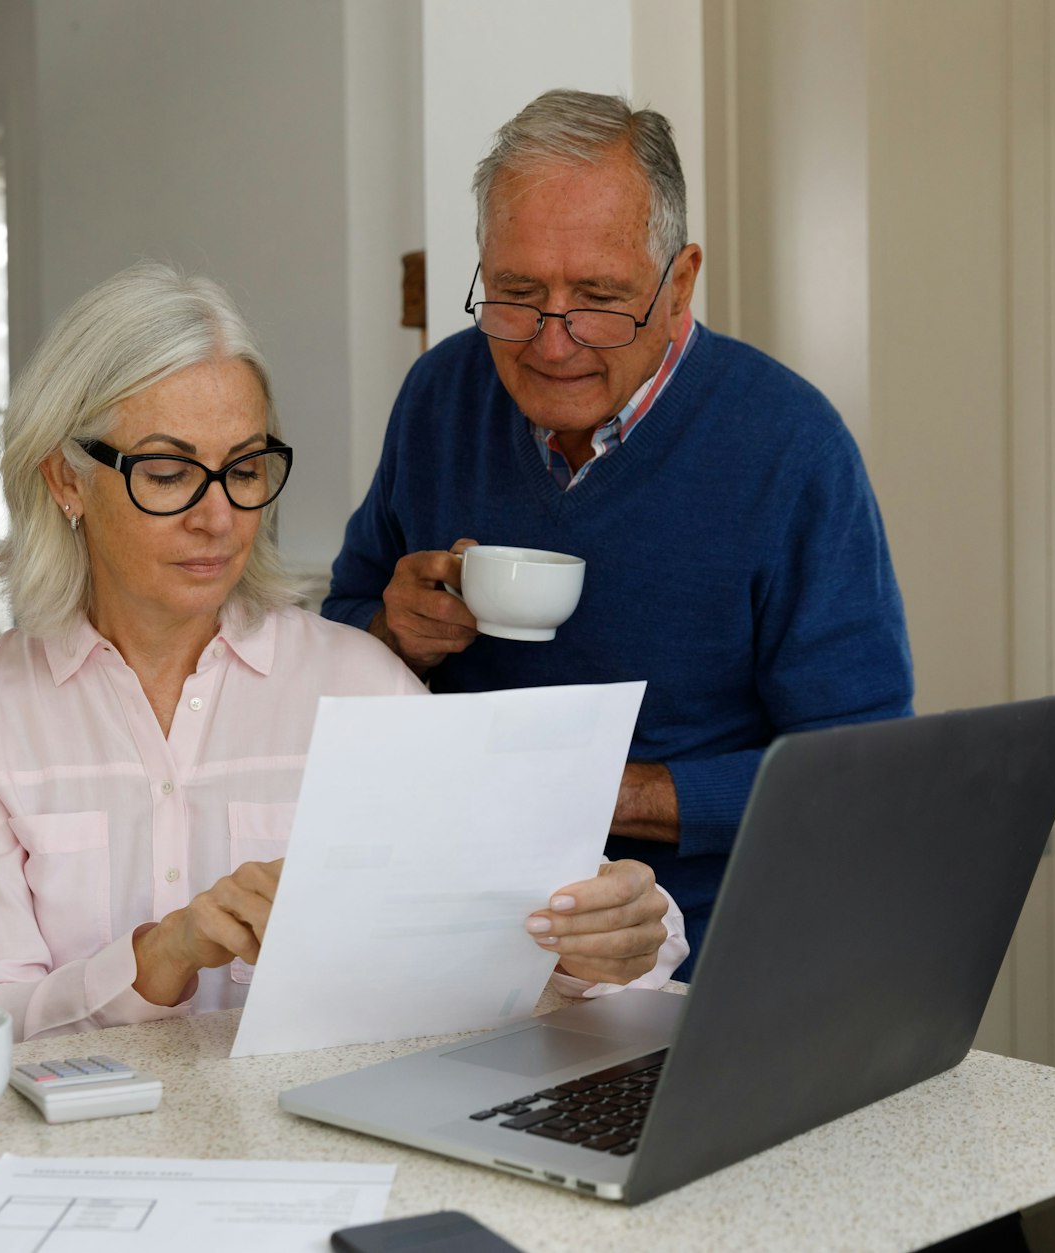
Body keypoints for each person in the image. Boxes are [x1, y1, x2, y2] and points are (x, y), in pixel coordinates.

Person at [0, 262, 688, 1040]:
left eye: (244, 468)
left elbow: (526, 938)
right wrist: (161, 954)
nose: (218, 517)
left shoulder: (364, 686)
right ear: (66, 480)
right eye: (169, 472)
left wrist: (608, 940)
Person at [324, 91, 915, 976]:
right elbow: (335, 638)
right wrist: (392, 632)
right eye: (517, 295)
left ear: (680, 286)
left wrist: (614, 792)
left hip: (706, 965)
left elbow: (863, 770)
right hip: (455, 943)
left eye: (599, 300)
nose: (552, 343)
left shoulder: (789, 447)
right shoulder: (440, 396)